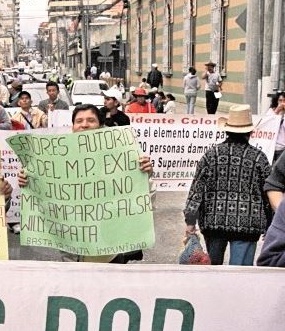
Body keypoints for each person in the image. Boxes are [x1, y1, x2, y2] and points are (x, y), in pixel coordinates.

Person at [17, 104, 153, 263]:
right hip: (72, 252)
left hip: (111, 252)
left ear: (101, 126)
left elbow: (144, 199)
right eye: (79, 121)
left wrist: (144, 175)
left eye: (91, 120)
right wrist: (28, 182)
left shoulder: (120, 156)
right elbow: (45, 198)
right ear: (73, 127)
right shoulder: (57, 160)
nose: (84, 125)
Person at [183, 104, 270, 266]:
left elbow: (196, 191)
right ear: (250, 132)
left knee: (214, 271)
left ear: (227, 130)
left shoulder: (211, 155)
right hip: (248, 224)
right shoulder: (259, 158)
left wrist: (190, 221)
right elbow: (268, 193)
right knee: (240, 275)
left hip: (213, 222)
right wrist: (270, 223)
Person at [266, 90, 285, 163]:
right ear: (276, 101)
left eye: (284, 101)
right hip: (270, 147)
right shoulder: (271, 111)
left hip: (282, 149)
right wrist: (277, 111)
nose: (282, 103)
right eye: (280, 100)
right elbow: (267, 123)